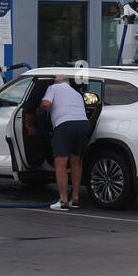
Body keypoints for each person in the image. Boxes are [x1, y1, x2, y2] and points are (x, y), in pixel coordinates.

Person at [39, 75, 89, 210]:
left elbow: (46, 104)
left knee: (60, 162)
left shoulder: (53, 88)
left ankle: (63, 201)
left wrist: (40, 109)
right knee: (76, 161)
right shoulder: (77, 93)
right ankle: (76, 198)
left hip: (65, 125)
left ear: (57, 81)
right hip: (83, 125)